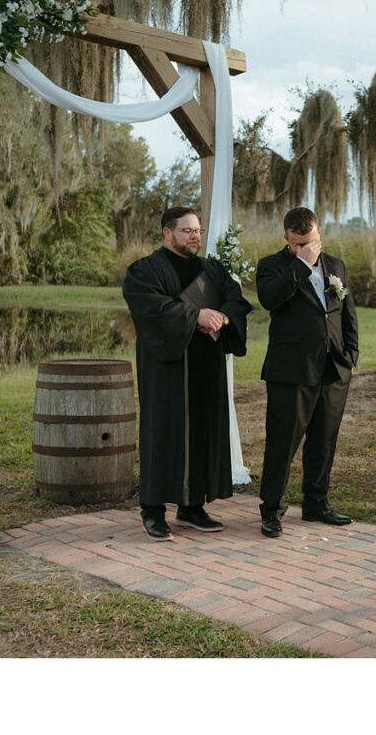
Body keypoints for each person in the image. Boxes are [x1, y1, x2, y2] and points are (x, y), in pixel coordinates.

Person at [122, 207, 252, 541]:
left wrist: (222, 318)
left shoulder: (211, 270)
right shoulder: (145, 271)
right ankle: (153, 510)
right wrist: (195, 316)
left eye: (197, 230)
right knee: (164, 432)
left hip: (205, 367)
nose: (195, 236)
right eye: (187, 230)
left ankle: (192, 506)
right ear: (167, 233)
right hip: (167, 370)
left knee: (202, 432)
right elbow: (151, 307)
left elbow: (235, 299)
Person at [256, 207, 358, 538]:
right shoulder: (272, 266)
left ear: (320, 234)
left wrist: (351, 355)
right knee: (283, 443)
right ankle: (271, 510)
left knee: (324, 439)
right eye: (298, 244)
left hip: (334, 367)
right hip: (291, 370)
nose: (306, 249)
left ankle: (316, 503)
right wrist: (300, 265)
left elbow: (347, 314)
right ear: (286, 238)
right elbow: (270, 299)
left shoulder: (336, 265)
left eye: (310, 242)